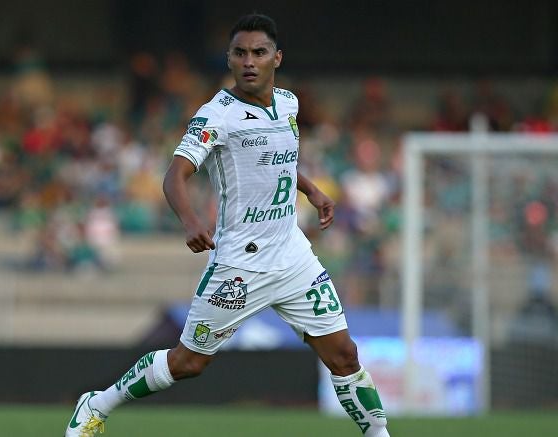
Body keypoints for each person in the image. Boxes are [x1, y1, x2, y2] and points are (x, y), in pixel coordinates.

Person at [65, 14, 390, 437]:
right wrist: (190, 220)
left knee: (344, 354)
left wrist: (309, 190)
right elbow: (174, 174)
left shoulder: (289, 104)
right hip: (241, 261)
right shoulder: (217, 114)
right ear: (230, 59)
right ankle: (97, 404)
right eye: (240, 53)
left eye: (258, 53)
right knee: (189, 363)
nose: (249, 62)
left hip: (292, 255)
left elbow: (281, 159)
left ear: (277, 57)